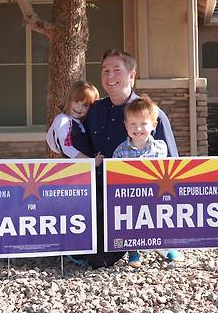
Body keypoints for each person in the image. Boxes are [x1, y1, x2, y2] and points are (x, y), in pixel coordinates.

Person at [82, 49, 181, 268]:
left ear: (132, 75)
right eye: (105, 71)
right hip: (100, 195)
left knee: (102, 259)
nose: (110, 76)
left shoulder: (150, 115)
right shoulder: (95, 111)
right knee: (93, 258)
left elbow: (172, 166)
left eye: (117, 70)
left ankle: (152, 240)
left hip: (144, 199)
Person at [112, 94, 168, 268]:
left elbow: (167, 172)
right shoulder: (121, 151)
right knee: (132, 222)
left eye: (143, 123)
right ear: (126, 126)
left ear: (153, 125)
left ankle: (164, 247)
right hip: (131, 198)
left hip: (155, 196)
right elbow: (114, 176)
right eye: (133, 124)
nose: (138, 129)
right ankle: (133, 250)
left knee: (160, 220)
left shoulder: (161, 148)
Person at [46, 81, 98, 159]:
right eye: (76, 101)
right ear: (68, 99)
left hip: (87, 167)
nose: (79, 107)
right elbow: (67, 147)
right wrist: (90, 161)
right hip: (72, 168)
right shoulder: (63, 120)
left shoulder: (82, 123)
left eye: (85, 105)